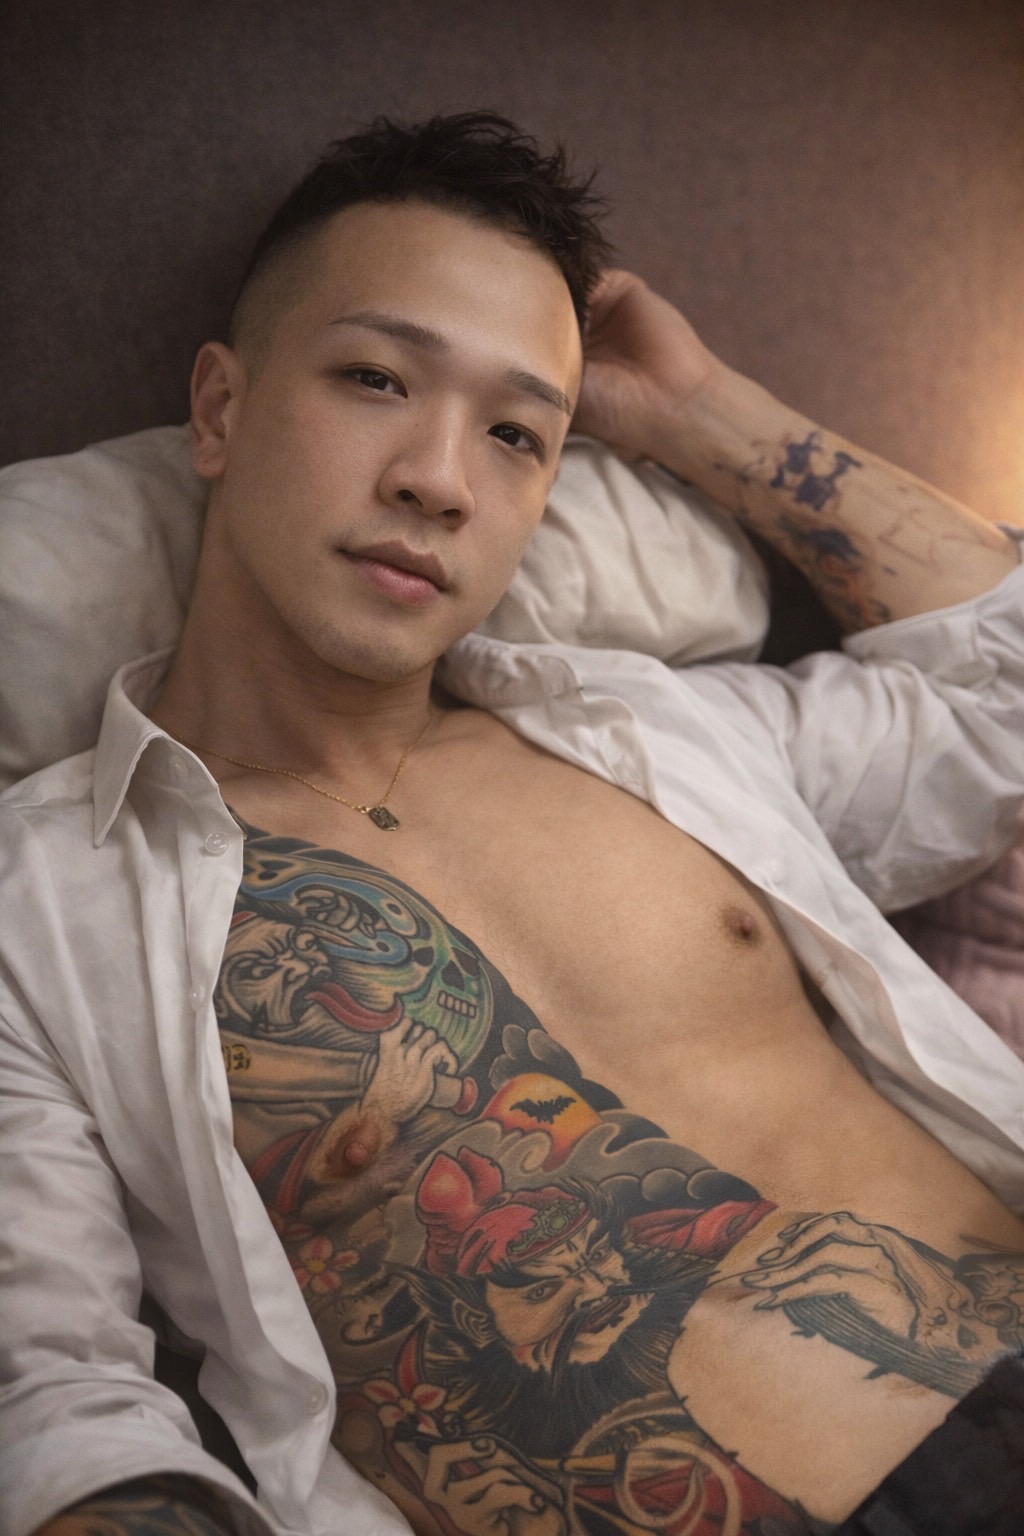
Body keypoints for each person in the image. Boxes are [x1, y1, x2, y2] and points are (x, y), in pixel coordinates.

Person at [4, 111, 1024, 1536]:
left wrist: (702, 411)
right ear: (220, 410)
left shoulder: (660, 733)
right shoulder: (41, 911)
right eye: (374, 378)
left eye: (516, 434)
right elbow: (55, 1400)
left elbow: (999, 692)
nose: (439, 478)